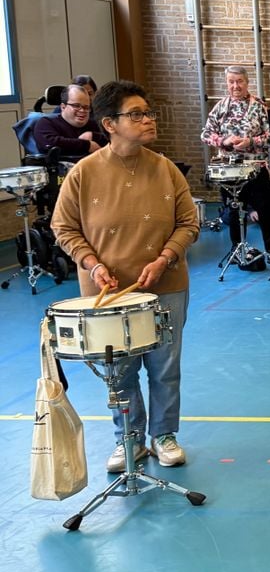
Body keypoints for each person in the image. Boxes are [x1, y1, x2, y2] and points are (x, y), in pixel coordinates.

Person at [51, 80, 200, 472]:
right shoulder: (83, 174)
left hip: (166, 285)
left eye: (148, 113)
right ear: (109, 124)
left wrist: (165, 258)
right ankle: (129, 439)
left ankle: (164, 435)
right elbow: (63, 228)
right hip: (108, 293)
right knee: (119, 371)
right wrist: (93, 264)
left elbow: (189, 223)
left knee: (165, 368)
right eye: (136, 114)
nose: (148, 120)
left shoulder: (166, 169)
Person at [201, 65, 270, 261]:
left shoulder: (259, 106)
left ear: (247, 82)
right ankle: (237, 251)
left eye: (239, 81)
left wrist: (250, 141)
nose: (235, 86)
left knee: (265, 210)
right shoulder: (220, 107)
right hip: (229, 170)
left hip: (256, 168)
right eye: (231, 82)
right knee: (234, 212)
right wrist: (224, 141)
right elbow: (206, 134)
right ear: (227, 83)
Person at [32, 84, 107, 159]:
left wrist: (93, 136)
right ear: (63, 107)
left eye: (86, 107)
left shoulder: (94, 125)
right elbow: (51, 143)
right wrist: (87, 145)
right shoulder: (46, 123)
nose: (82, 110)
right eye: (76, 106)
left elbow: (111, 139)